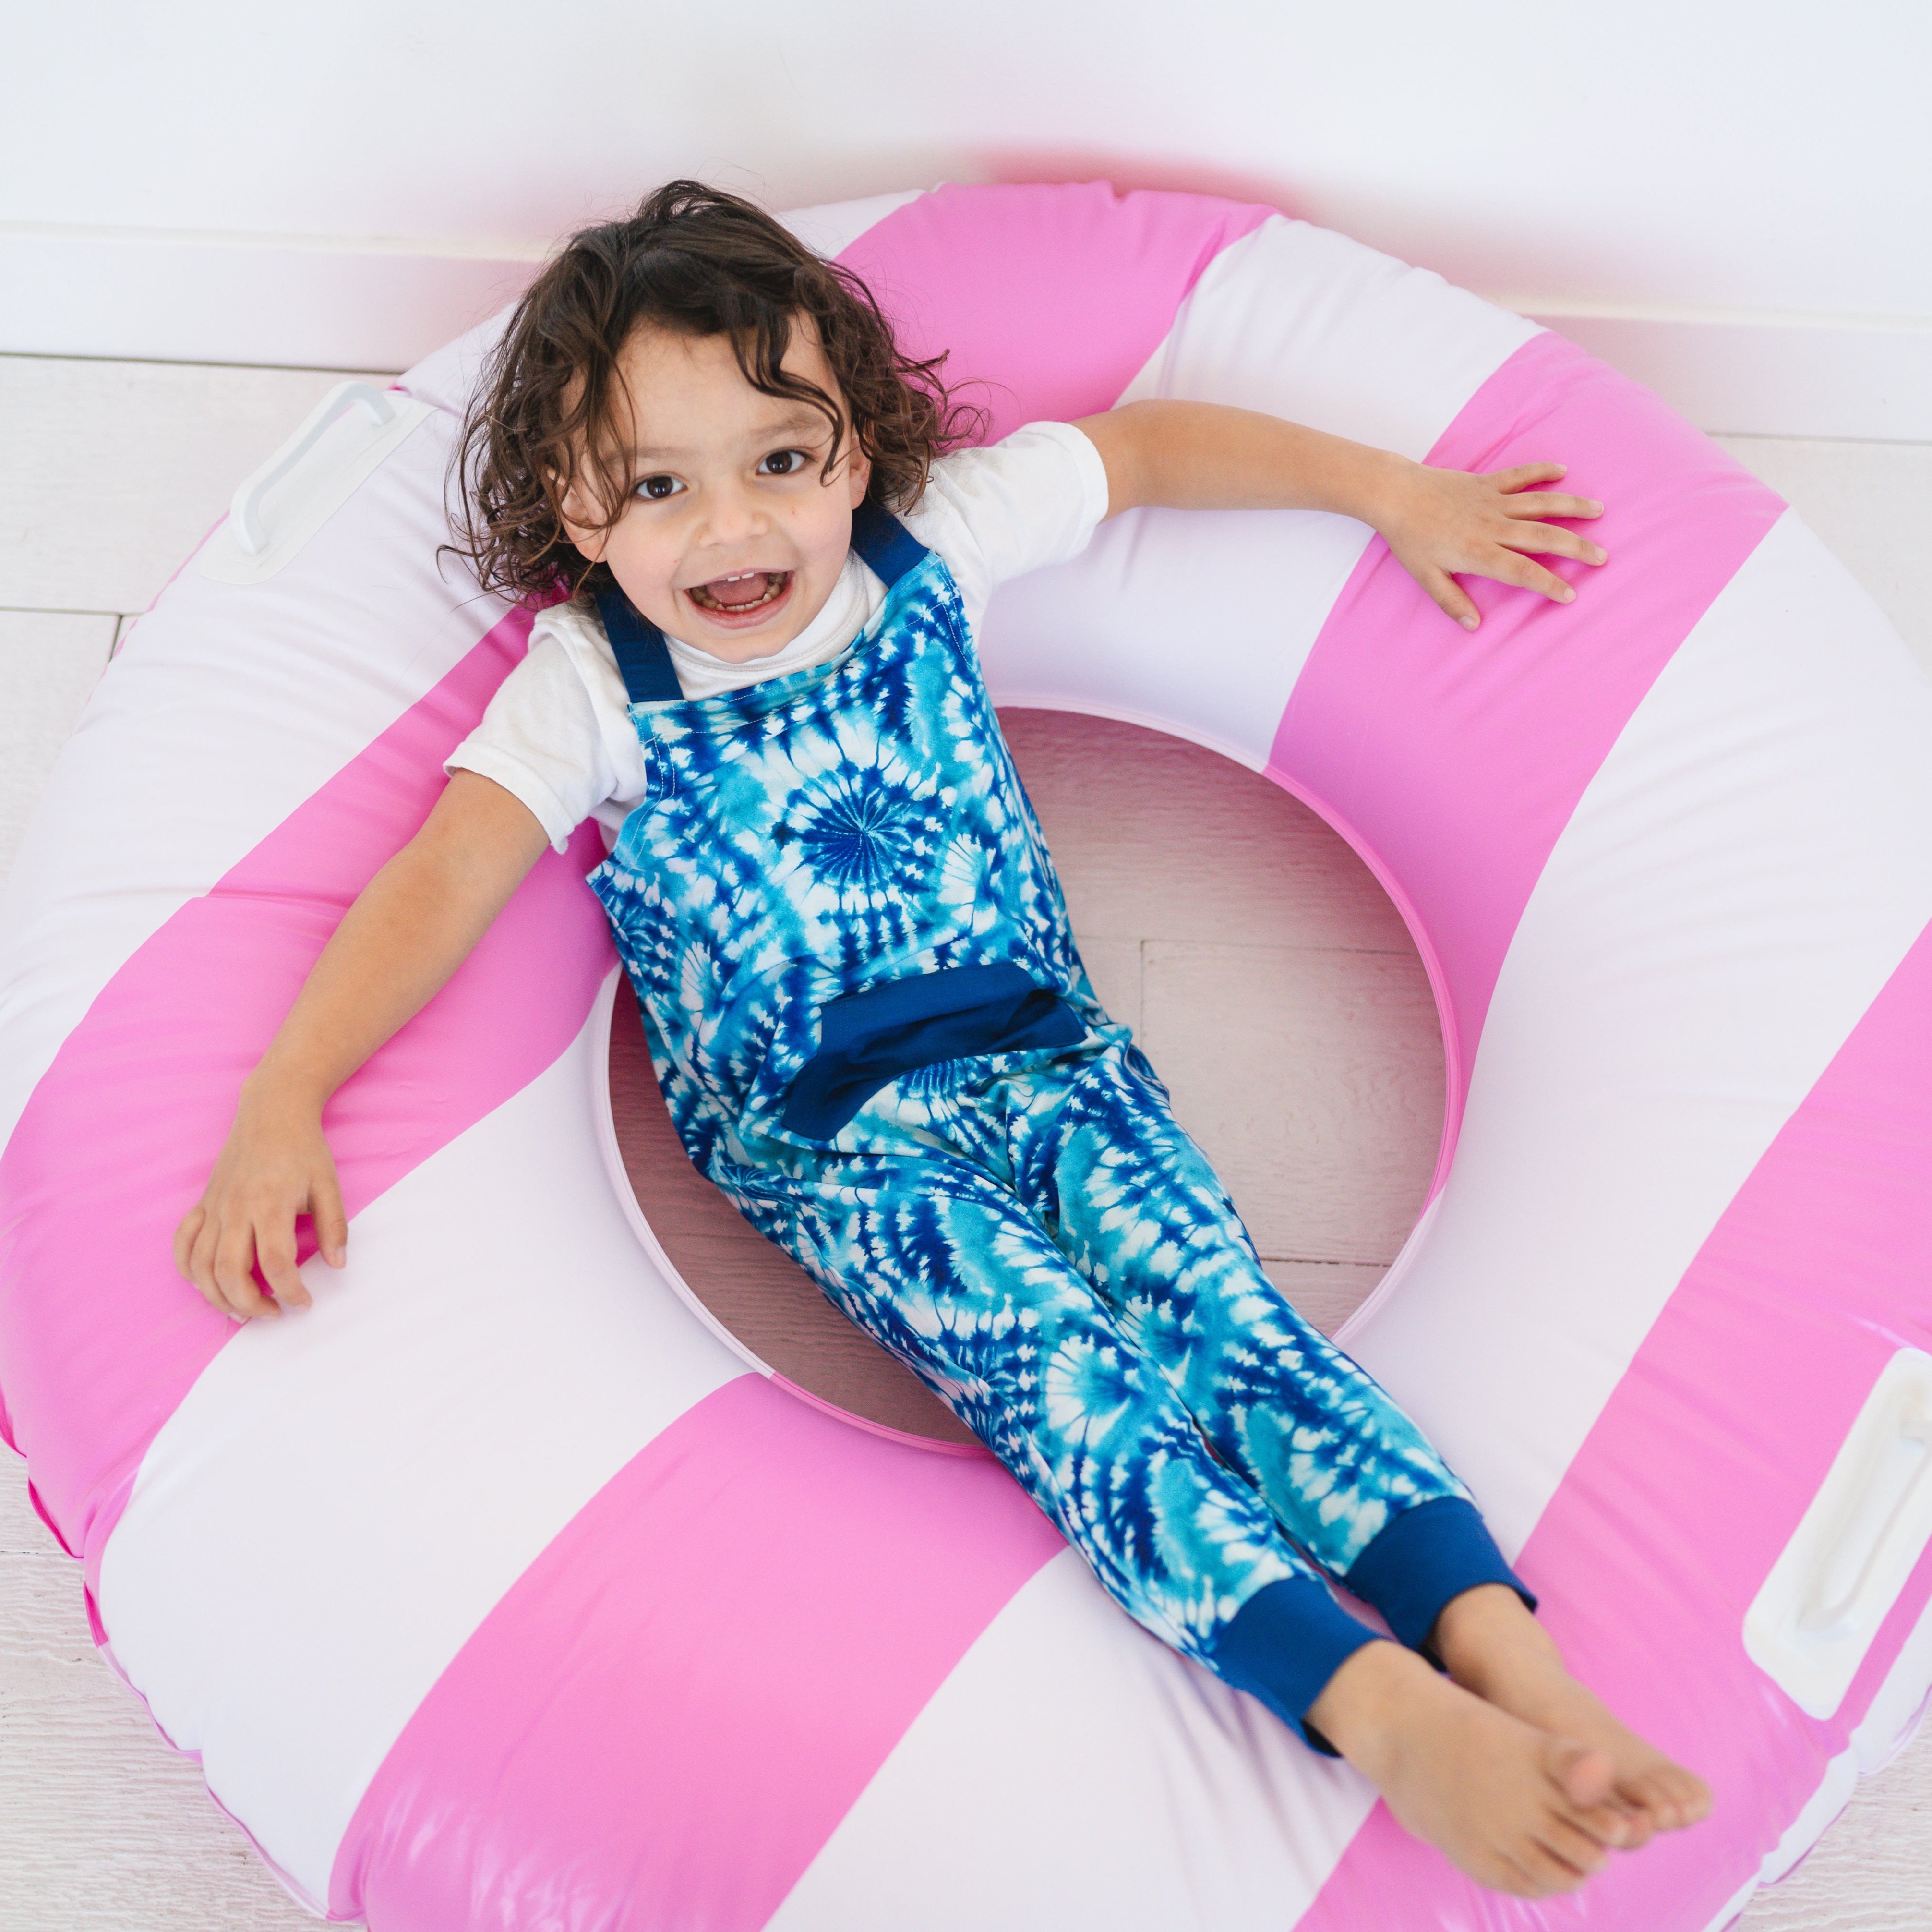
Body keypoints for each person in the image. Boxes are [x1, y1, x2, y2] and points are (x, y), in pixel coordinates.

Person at [172, 181, 1710, 1896]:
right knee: (1073, 1385)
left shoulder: (930, 541)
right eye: (658, 487)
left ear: (854, 451)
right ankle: (1379, 1714)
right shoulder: (595, 688)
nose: (733, 529)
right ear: (574, 509)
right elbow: (438, 879)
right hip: (834, 1142)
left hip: (1053, 1052)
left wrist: (1390, 493)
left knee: (1230, 1322)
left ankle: (1510, 1662)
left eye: (779, 460)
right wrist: (284, 1095)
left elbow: (1143, 452)